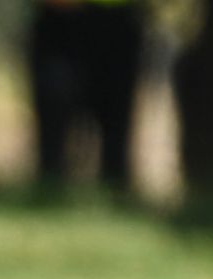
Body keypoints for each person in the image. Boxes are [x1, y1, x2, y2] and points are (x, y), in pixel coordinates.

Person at [25, 0, 147, 192]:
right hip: (61, 19)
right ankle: (50, 190)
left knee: (116, 124)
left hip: (117, 19)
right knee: (53, 119)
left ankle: (114, 192)